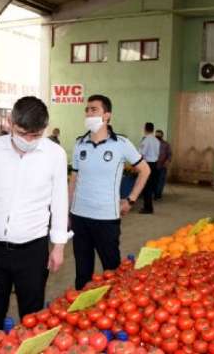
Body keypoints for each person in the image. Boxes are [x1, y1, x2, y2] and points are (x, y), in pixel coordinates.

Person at [0, 96, 69, 336]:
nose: (29, 140)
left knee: (32, 314)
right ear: (10, 122)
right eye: (22, 133)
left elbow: (59, 200)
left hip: (33, 250)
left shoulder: (55, 154)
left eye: (36, 135)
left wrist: (58, 246)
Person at [69, 94, 150, 290]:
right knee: (82, 272)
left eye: (93, 110)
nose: (88, 113)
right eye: (87, 110)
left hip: (106, 218)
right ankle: (83, 312)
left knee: (112, 271)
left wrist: (130, 200)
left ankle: (114, 310)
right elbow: (74, 180)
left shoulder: (121, 144)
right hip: (80, 217)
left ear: (107, 115)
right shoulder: (80, 144)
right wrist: (67, 212)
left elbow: (145, 170)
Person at [139, 122, 160, 214]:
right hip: (154, 164)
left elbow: (141, 154)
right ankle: (148, 206)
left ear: (145, 129)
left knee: (146, 187)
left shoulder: (146, 140)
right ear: (153, 129)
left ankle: (148, 208)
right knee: (150, 186)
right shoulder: (156, 140)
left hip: (147, 165)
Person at [155, 129, 172, 200]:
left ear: (162, 135)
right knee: (154, 180)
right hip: (154, 165)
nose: (157, 136)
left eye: (159, 135)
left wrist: (167, 162)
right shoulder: (153, 143)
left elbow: (169, 154)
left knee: (161, 180)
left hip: (162, 165)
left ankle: (158, 194)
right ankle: (154, 193)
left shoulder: (166, 144)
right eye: (156, 134)